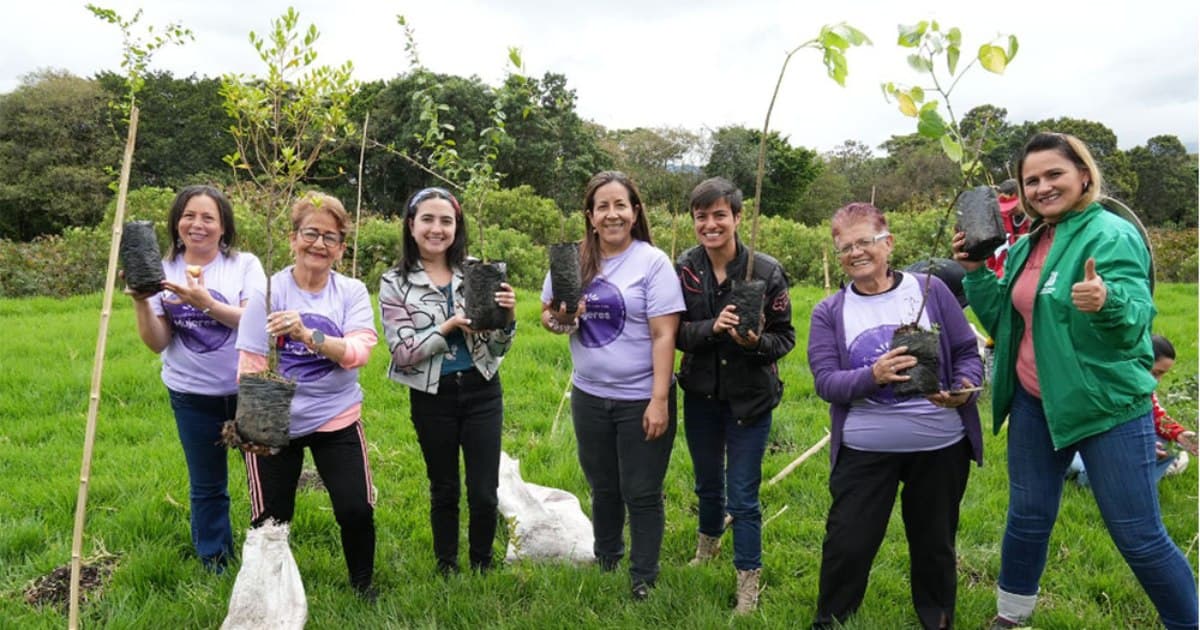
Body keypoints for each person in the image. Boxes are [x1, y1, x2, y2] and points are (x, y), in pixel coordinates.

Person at [953, 132, 1198, 630]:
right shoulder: (1029, 244)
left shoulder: (1109, 235)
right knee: (1028, 516)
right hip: (1034, 403)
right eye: (1032, 180)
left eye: (1053, 175)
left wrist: (1107, 302)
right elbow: (1004, 319)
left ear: (1083, 175)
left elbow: (1136, 324)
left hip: (1103, 407)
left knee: (1137, 533)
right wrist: (976, 272)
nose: (1042, 187)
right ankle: (1011, 615)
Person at [808, 202, 984, 629]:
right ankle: (831, 620)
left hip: (939, 445)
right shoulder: (830, 311)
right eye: (845, 247)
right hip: (865, 448)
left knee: (934, 542)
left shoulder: (930, 290)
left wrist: (962, 387)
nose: (855, 253)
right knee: (848, 542)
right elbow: (826, 381)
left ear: (888, 244)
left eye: (864, 242)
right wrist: (873, 375)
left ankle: (937, 619)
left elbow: (965, 351)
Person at [541, 171, 685, 601]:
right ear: (590, 215)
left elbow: (664, 335)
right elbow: (548, 315)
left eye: (620, 205)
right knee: (603, 486)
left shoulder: (652, 263)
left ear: (635, 211)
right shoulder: (573, 260)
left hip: (641, 396)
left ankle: (643, 576)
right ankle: (606, 558)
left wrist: (659, 399)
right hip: (588, 394)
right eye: (602, 206)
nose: (612, 214)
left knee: (640, 490)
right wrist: (562, 320)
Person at [235, 192, 379, 600]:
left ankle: (362, 585)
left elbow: (357, 354)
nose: (319, 244)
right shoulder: (267, 292)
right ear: (293, 238)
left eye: (330, 237)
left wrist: (307, 335)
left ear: (341, 248)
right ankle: (269, 594)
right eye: (311, 233)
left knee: (356, 508)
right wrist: (258, 430)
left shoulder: (350, 292)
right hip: (274, 419)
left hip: (337, 417)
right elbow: (249, 364)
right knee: (270, 519)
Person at [126, 185, 265, 572]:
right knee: (207, 485)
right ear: (176, 223)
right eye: (189, 216)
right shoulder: (162, 271)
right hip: (191, 394)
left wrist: (207, 304)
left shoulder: (244, 265)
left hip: (249, 388)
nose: (197, 224)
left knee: (267, 477)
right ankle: (215, 561)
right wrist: (141, 301)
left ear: (223, 227)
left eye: (208, 217)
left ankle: (268, 552)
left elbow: (256, 323)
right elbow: (158, 342)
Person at [379, 187, 517, 576]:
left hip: (482, 389)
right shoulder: (395, 282)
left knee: (484, 491)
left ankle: (481, 563)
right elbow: (402, 352)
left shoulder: (477, 271)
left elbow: (499, 345)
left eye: (446, 220)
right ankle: (447, 566)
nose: (436, 229)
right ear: (411, 225)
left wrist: (506, 318)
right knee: (444, 487)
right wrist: (448, 326)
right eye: (427, 219)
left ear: (457, 227)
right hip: (432, 396)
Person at [674, 177, 795, 613]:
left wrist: (754, 344)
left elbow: (785, 338)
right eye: (701, 217)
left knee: (742, 494)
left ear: (738, 217)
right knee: (707, 482)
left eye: (719, 215)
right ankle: (706, 548)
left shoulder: (765, 271)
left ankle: (749, 579)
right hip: (702, 395)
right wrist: (712, 328)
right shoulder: (684, 269)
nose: (711, 224)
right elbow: (673, 334)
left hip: (750, 399)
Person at [1066, 334, 1199, 487]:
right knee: (1071, 463)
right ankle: (1093, 476)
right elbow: (1091, 428)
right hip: (1084, 444)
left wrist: (1179, 434)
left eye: (1162, 374)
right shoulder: (1103, 383)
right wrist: (1135, 447)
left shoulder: (1144, 388)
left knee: (1171, 448)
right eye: (1155, 373)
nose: (1158, 380)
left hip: (1120, 444)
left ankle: (1134, 471)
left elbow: (1156, 415)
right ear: (1139, 362)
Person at [985, 179, 1030, 277]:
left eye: (1014, 206)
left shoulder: (1037, 222)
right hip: (1002, 275)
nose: (1010, 210)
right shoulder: (1001, 221)